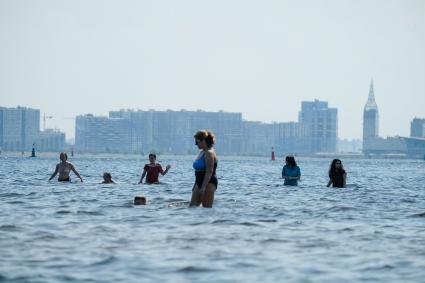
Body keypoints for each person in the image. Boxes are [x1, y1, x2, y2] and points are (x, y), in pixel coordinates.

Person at [190, 130, 218, 208]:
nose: (195, 144)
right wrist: (195, 185)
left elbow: (209, 171)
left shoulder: (209, 153)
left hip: (208, 183)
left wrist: (203, 187)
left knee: (206, 209)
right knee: (192, 207)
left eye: (197, 142)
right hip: (199, 182)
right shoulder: (202, 152)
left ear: (203, 141)